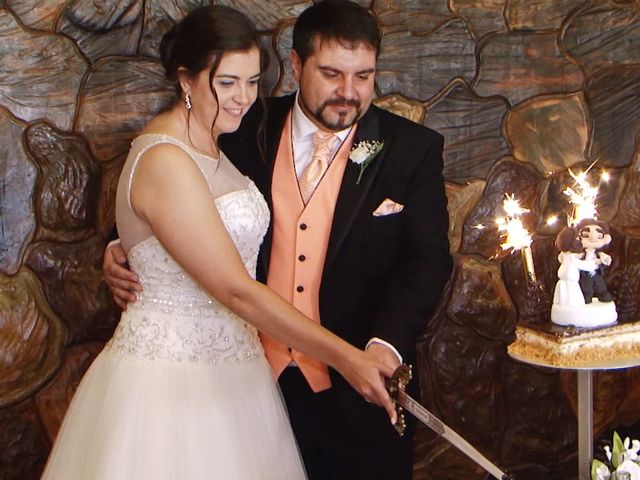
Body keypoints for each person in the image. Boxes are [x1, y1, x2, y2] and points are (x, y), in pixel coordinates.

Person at [42, 6, 397, 480]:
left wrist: (136, 243)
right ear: (186, 79)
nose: (244, 98)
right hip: (169, 384)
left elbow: (186, 228)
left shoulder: (222, 138)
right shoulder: (166, 157)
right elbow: (234, 288)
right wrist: (346, 357)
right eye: (227, 82)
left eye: (252, 81)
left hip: (238, 376)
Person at [576, 218, 613, 303]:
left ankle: (603, 293)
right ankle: (586, 296)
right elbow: (574, 259)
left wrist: (603, 260)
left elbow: (605, 259)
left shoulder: (599, 254)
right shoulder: (581, 254)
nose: (593, 239)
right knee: (586, 286)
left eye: (599, 236)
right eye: (585, 235)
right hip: (586, 273)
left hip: (597, 272)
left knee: (600, 284)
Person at [553, 226, 589, 307]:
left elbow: (560, 259)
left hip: (563, 278)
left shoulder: (564, 254)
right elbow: (584, 265)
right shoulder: (572, 258)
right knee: (572, 302)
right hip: (570, 281)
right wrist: (596, 263)